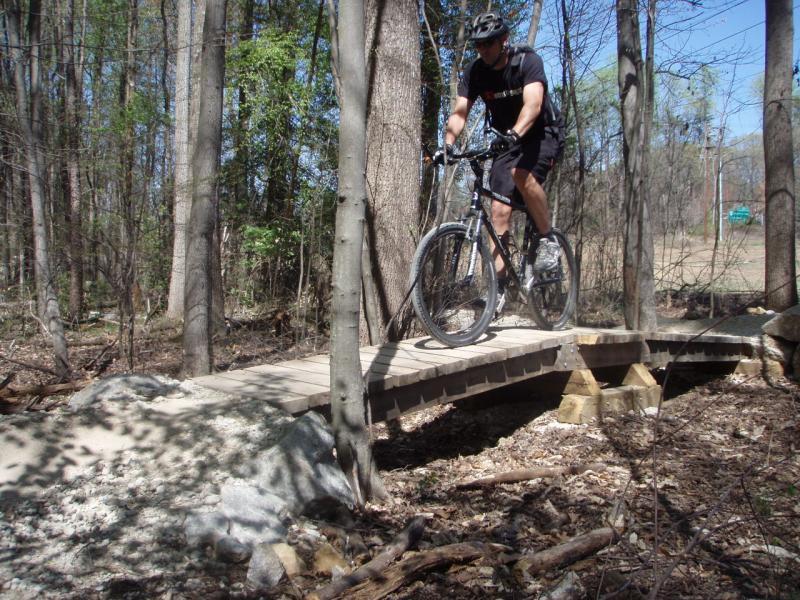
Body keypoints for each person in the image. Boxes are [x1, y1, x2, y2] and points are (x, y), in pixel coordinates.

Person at [435, 12, 561, 312]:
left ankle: (548, 242)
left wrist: (515, 133)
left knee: (522, 175)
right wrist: (447, 145)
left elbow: (534, 104)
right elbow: (460, 111)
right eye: (478, 45)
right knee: (499, 209)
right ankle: (499, 290)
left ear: (503, 41)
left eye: (488, 44)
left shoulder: (526, 61)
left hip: (541, 134)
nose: (483, 50)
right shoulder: (476, 72)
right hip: (506, 139)